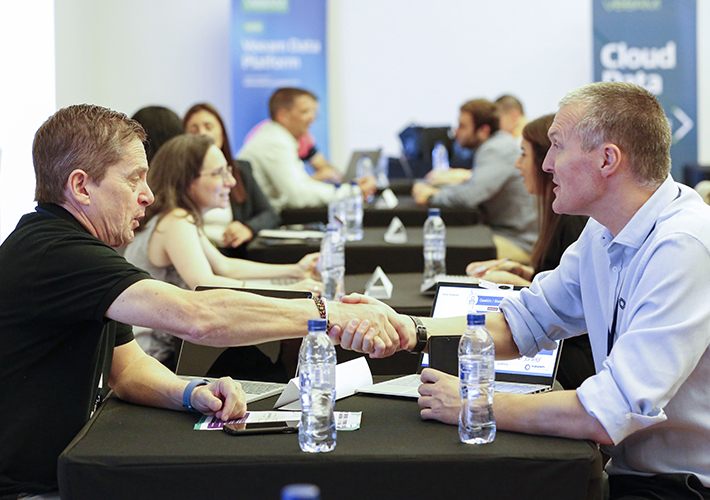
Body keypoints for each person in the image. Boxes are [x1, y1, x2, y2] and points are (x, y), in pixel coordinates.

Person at [0, 104, 403, 498]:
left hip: (62, 470)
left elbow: (127, 368)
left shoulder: (70, 246)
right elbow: (199, 316)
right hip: (31, 489)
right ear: (81, 186)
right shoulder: (55, 252)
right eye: (134, 180)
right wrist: (327, 313)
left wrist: (191, 392)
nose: (147, 195)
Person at [349, 82, 710, 499]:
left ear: (608, 159)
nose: (547, 163)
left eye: (557, 146)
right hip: (634, 472)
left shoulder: (684, 245)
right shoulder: (604, 231)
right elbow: (522, 323)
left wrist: (474, 404)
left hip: (680, 486)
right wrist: (414, 330)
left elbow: (608, 410)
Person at [123, 133, 322, 370]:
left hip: (170, 350)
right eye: (219, 173)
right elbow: (206, 284)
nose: (231, 181)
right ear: (188, 180)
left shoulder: (180, 218)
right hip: (156, 360)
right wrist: (287, 291)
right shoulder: (176, 220)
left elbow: (224, 265)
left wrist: (295, 270)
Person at [465, 113, 593, 390]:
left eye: (523, 154)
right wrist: (525, 272)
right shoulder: (560, 216)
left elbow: (574, 305)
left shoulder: (575, 221)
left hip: (572, 360)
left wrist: (522, 285)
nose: (517, 164)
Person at [412, 99, 538, 263]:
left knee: (439, 247)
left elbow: (470, 195)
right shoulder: (497, 145)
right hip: (507, 233)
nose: (456, 132)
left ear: (483, 130)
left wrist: (431, 197)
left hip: (519, 242)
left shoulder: (496, 149)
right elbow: (472, 186)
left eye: (463, 126)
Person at [237, 87, 376, 212]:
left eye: (314, 112)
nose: (312, 118)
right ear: (283, 115)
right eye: (305, 112)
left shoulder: (280, 137)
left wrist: (349, 188)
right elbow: (298, 196)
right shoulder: (274, 142)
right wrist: (351, 192)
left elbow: (303, 185)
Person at [184, 103, 279, 256]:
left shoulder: (240, 171)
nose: (202, 134)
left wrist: (247, 228)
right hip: (194, 254)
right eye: (193, 129)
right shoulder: (177, 176)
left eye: (208, 127)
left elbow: (269, 214)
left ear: (222, 134)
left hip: (232, 254)